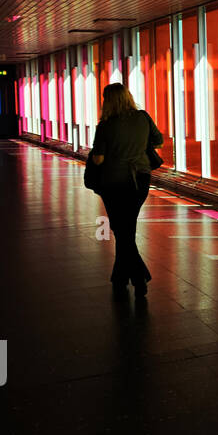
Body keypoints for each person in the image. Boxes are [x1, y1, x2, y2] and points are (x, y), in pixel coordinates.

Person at [89, 84, 163, 298]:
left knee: (122, 230)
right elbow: (158, 140)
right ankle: (120, 277)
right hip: (141, 178)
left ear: (107, 101)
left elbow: (98, 158)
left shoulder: (105, 125)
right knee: (126, 228)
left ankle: (139, 278)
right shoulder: (142, 117)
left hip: (114, 181)